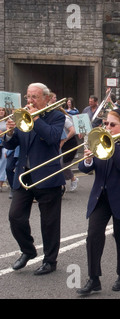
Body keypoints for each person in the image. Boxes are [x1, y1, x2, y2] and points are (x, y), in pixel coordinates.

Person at [76, 109, 120, 295]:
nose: (108, 127)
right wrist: (88, 160)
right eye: (106, 124)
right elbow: (84, 168)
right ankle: (93, 279)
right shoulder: (98, 140)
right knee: (93, 235)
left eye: (112, 125)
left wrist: (112, 145)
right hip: (101, 197)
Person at [3, 82, 66, 275]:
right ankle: (28, 251)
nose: (29, 101)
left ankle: (50, 260)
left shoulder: (57, 116)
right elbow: (12, 144)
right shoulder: (22, 115)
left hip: (47, 175)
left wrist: (36, 118)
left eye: (34, 97)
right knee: (15, 216)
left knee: (49, 222)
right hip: (25, 174)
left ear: (46, 99)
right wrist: (11, 131)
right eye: (28, 97)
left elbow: (52, 138)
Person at [60, 107, 79, 192]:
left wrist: (65, 139)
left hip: (70, 144)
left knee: (63, 165)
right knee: (61, 165)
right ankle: (62, 184)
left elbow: (73, 131)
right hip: (63, 144)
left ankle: (73, 179)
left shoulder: (64, 119)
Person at [0, 107, 9, 191]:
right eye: (0, 110)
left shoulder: (7, 120)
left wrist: (2, 134)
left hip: (3, 145)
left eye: (3, 110)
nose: (1, 112)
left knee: (3, 162)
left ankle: (0, 184)